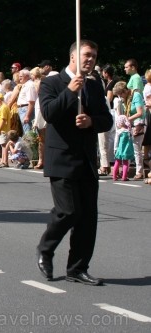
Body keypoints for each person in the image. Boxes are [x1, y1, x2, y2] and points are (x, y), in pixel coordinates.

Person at [36, 40, 112, 286]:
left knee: (88, 218)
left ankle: (77, 268)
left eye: (94, 56)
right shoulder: (51, 82)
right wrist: (69, 91)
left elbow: (106, 120)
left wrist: (91, 122)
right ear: (72, 57)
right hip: (62, 158)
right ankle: (46, 249)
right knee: (68, 211)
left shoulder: (95, 85)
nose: (91, 59)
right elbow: (49, 113)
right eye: (87, 55)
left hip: (87, 160)